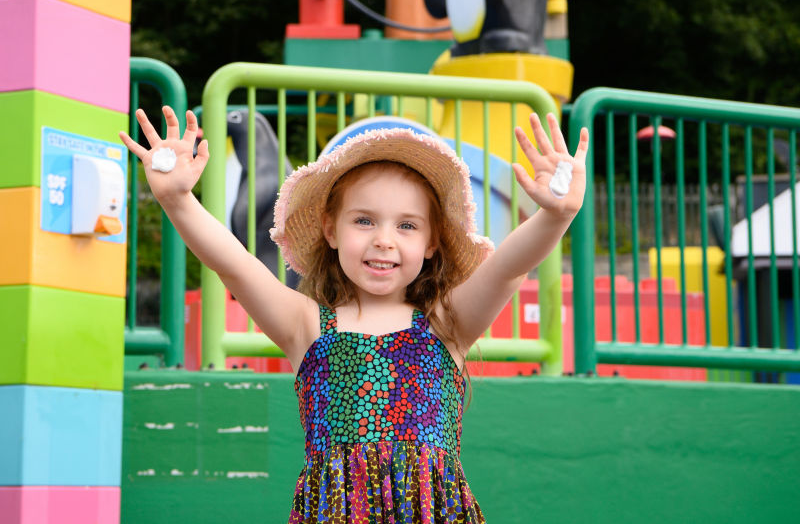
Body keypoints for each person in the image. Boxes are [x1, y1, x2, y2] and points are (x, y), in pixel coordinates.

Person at [120, 106, 589, 524]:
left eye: (406, 225)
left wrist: (555, 215)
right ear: (331, 229)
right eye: (364, 220)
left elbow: (508, 268)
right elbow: (236, 266)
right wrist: (178, 200)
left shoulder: (448, 323)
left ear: (430, 243)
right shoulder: (306, 324)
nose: (384, 239)